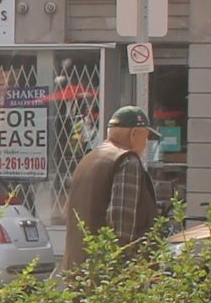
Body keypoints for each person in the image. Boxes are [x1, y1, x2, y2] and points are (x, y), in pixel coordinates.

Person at [62, 105, 158, 263]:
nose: (146, 144)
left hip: (79, 267)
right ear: (134, 134)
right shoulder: (127, 161)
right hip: (108, 273)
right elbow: (121, 225)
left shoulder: (88, 159)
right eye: (145, 137)